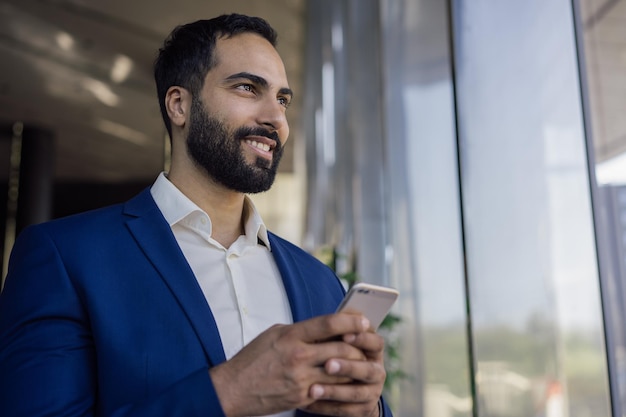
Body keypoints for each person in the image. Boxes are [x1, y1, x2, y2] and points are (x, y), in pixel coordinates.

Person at [0, 13, 392, 417]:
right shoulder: (65, 256)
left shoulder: (319, 280)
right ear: (179, 104)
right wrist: (229, 391)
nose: (276, 119)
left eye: (282, 99)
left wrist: (368, 411)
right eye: (247, 87)